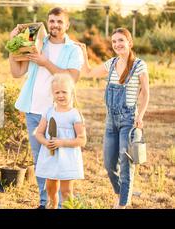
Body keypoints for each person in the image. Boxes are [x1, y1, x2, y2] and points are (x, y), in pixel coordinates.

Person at [9, 7, 83, 209]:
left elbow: (71, 78)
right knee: (40, 160)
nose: (55, 25)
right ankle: (45, 204)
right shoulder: (36, 43)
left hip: (59, 112)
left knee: (59, 158)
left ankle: (61, 206)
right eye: (51, 21)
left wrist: (45, 62)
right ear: (47, 23)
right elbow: (17, 72)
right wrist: (12, 45)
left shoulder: (73, 49)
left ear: (66, 25)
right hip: (33, 110)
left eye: (59, 21)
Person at [77, 28, 150, 209]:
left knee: (126, 164)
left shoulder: (139, 65)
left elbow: (146, 93)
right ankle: (123, 191)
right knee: (109, 164)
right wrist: (83, 53)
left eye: (121, 40)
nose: (117, 44)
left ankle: (122, 203)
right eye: (114, 41)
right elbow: (88, 72)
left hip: (129, 121)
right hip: (110, 121)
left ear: (129, 43)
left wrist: (140, 116)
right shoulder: (111, 64)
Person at [34, 74, 86, 209]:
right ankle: (53, 205)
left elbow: (82, 139)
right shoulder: (49, 112)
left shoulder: (74, 114)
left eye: (64, 92)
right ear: (52, 93)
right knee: (51, 188)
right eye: (57, 92)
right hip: (50, 156)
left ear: (71, 92)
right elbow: (39, 133)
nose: (61, 95)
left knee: (66, 190)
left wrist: (62, 143)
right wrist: (46, 142)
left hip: (67, 158)